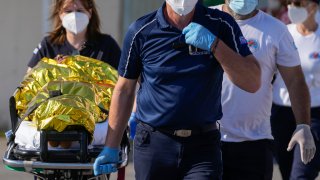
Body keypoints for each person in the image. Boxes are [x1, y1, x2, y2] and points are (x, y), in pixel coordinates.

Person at [93, 0, 261, 179]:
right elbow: (124, 90)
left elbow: (252, 82)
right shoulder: (141, 30)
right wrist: (111, 146)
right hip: (154, 144)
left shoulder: (220, 23)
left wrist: (215, 45)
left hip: (202, 146)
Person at [210, 0, 316, 179]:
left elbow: (295, 80)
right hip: (207, 139)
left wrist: (303, 124)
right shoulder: (205, 19)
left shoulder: (276, 29)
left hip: (254, 142)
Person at [271, 0, 320, 179]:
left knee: (301, 175)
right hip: (281, 113)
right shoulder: (283, 32)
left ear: (313, 6)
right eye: (290, 3)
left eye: (298, 3)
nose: (292, 7)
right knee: (285, 172)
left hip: (313, 116)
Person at [27, 0, 121, 71]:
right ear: (60, 13)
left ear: (90, 12)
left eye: (80, 11)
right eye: (68, 11)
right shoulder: (48, 45)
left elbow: (125, 82)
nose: (74, 16)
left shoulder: (107, 45)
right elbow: (29, 79)